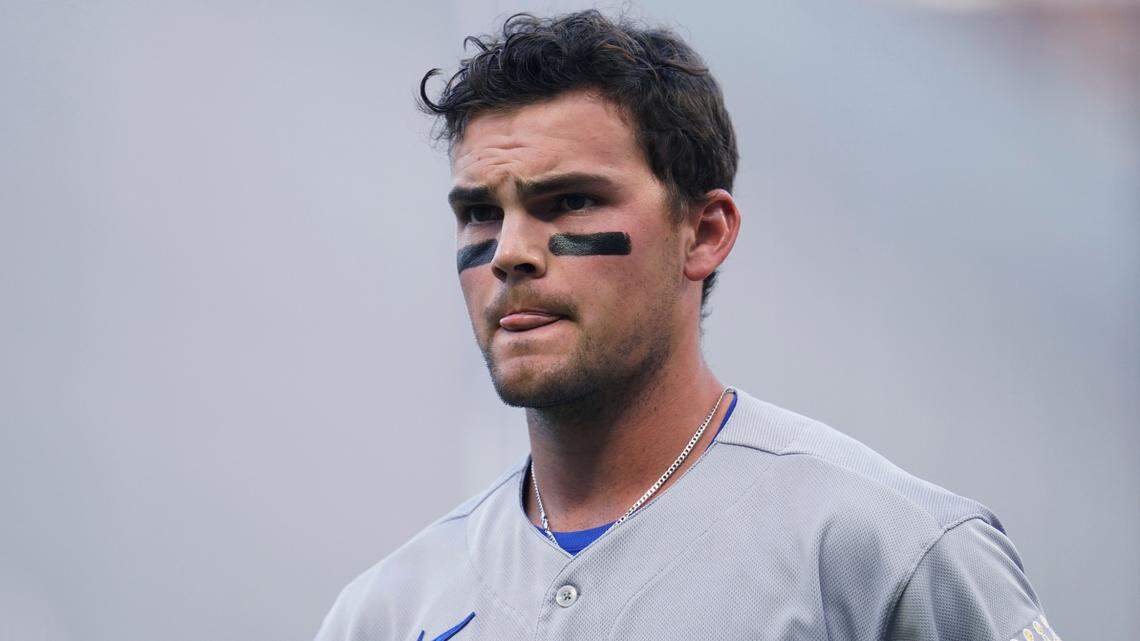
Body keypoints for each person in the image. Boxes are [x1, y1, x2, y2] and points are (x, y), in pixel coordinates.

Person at [315, 10, 1058, 641]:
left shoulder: (891, 551)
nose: (510, 251)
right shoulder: (386, 610)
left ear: (702, 233)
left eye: (569, 201)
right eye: (480, 211)